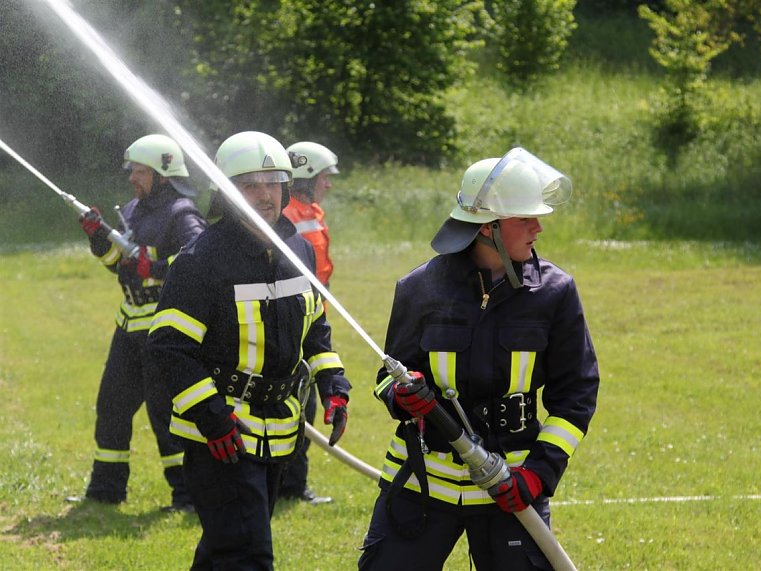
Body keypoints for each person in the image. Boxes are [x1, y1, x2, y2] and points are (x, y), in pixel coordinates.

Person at [358, 148, 600, 570]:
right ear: (488, 227)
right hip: (423, 482)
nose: (538, 228)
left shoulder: (554, 293)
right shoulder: (419, 287)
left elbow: (576, 393)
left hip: (509, 487)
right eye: (525, 218)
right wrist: (401, 395)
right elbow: (386, 375)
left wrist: (537, 474)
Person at [146, 131, 351, 569]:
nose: (264, 195)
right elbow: (169, 346)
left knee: (225, 548)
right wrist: (212, 417)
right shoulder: (201, 259)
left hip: (280, 432)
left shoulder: (298, 250)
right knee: (248, 555)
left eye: (273, 182)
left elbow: (314, 328)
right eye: (250, 184)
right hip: (223, 436)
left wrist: (333, 384)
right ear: (226, 190)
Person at [68, 134, 206, 511]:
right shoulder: (132, 209)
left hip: (164, 329)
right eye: (133, 170)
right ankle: (105, 490)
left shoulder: (183, 214)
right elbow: (117, 262)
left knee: (165, 414)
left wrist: (155, 266)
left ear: (163, 174)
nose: (133, 178)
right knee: (111, 405)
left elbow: (198, 262)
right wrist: (99, 238)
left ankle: (187, 496)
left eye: (141, 171)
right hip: (129, 323)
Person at [279, 141, 339, 504]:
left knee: (307, 403)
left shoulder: (309, 209)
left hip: (312, 319)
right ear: (304, 177)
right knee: (301, 404)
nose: (328, 184)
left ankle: (291, 484)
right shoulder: (287, 213)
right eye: (323, 177)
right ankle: (289, 485)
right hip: (295, 322)